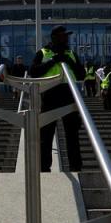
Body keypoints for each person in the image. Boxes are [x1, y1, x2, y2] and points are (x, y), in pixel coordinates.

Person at [29, 25, 85, 172]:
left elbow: (81, 74)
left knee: (72, 135)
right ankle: (44, 168)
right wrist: (52, 61)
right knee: (46, 136)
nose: (66, 38)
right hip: (49, 95)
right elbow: (33, 72)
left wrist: (69, 61)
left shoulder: (71, 53)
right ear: (54, 37)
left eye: (67, 35)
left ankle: (76, 168)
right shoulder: (43, 52)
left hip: (69, 95)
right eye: (63, 35)